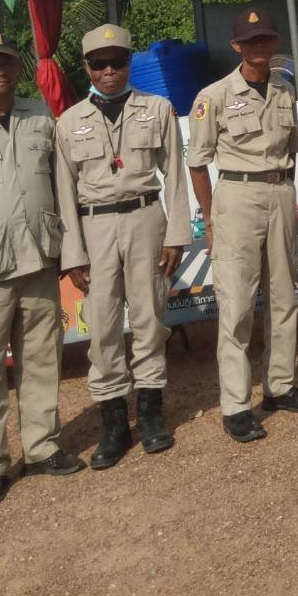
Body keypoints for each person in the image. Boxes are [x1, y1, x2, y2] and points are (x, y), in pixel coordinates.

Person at [0, 34, 83, 506]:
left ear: (17, 69)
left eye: (7, 63)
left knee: (42, 359)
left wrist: (70, 251)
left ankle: (42, 447)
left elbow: (61, 188)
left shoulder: (39, 118)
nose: (0, 72)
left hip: (37, 260)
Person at [55, 24, 189, 466]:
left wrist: (175, 235)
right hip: (94, 228)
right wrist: (73, 254)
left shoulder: (158, 108)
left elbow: (175, 175)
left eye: (117, 61)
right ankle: (114, 422)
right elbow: (63, 193)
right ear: (87, 67)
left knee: (150, 317)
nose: (109, 71)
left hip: (145, 218)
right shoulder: (69, 122)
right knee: (103, 325)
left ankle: (150, 414)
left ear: (129, 62)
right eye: (100, 63)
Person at [188, 7, 298, 442]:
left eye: (265, 38)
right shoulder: (214, 96)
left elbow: (292, 151)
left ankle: (279, 386)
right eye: (250, 40)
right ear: (236, 46)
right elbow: (197, 163)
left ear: (275, 42)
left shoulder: (284, 91)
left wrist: (289, 194)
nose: (259, 46)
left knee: (284, 297)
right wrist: (211, 219)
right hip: (237, 195)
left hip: (279, 192)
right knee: (237, 305)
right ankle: (236, 404)